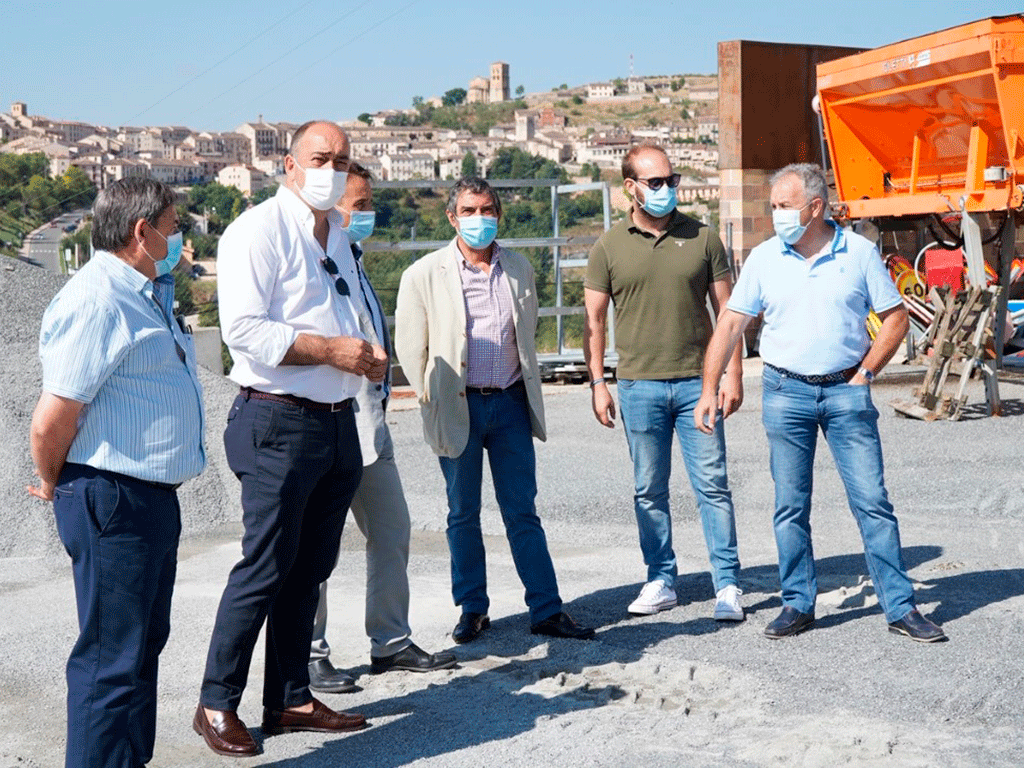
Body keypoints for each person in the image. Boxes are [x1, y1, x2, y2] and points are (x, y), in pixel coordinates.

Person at [195, 121, 387, 758]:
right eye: (319, 158)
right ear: (289, 163)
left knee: (311, 569)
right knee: (265, 568)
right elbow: (244, 330)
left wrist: (365, 353)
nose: (330, 169)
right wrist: (335, 349)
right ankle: (216, 703)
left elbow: (345, 311)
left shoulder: (336, 233)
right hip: (277, 419)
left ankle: (289, 697)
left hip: (336, 421)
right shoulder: (256, 230)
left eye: (341, 160)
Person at [694, 163, 947, 643]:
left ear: (814, 207)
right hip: (785, 392)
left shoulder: (859, 253)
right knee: (790, 505)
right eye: (772, 207)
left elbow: (895, 319)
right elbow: (728, 324)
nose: (776, 216)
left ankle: (901, 607)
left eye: (783, 207)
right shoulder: (766, 258)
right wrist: (709, 388)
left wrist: (866, 373)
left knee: (872, 503)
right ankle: (797, 603)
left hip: (845, 393)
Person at [27, 177, 206, 768]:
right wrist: (55, 481)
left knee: (139, 650)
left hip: (148, 498)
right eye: (174, 227)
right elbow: (52, 419)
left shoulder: (144, 291)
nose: (178, 237)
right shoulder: (98, 297)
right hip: (113, 498)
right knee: (111, 662)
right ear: (142, 232)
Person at [395, 176, 595, 644]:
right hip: (458, 405)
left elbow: (524, 336)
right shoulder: (424, 274)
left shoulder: (519, 268)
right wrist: (432, 395)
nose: (478, 219)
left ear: (498, 215)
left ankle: (546, 608)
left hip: (508, 405)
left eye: (487, 210)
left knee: (521, 511)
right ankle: (472, 608)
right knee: (462, 513)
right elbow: (412, 349)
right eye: (468, 211)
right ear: (451, 217)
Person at [308, 162, 456, 694]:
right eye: (361, 204)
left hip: (370, 425)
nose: (369, 213)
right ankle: (310, 653)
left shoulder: (357, 262)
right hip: (326, 426)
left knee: (391, 530)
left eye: (371, 203)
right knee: (316, 546)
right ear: (331, 208)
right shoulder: (314, 263)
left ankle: (390, 643)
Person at [584, 144, 745, 621]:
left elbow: (728, 313)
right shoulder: (608, 246)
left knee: (713, 486)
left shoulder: (703, 237)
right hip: (638, 387)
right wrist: (597, 382)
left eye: (671, 181)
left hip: (700, 385)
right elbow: (593, 319)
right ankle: (660, 579)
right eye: (655, 183)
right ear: (630, 188)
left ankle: (728, 584)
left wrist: (732, 375)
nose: (667, 190)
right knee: (648, 489)